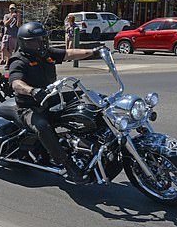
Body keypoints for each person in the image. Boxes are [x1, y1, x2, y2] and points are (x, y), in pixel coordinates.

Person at [8, 21, 106, 184]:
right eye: (34, 41)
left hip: (52, 98)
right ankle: (67, 165)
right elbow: (15, 83)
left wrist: (94, 52)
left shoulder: (47, 54)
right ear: (24, 43)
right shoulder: (19, 60)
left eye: (41, 39)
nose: (40, 43)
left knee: (89, 96)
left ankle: (101, 136)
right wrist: (32, 91)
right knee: (42, 126)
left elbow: (69, 53)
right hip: (30, 106)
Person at [2, 3, 20, 68]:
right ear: (9, 9)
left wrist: (17, 18)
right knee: (3, 49)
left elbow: (18, 26)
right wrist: (11, 18)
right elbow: (5, 24)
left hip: (14, 36)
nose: (12, 10)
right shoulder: (6, 16)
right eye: (11, 8)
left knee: (11, 50)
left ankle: (8, 64)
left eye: (13, 8)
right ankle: (12, 60)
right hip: (7, 35)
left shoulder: (17, 16)